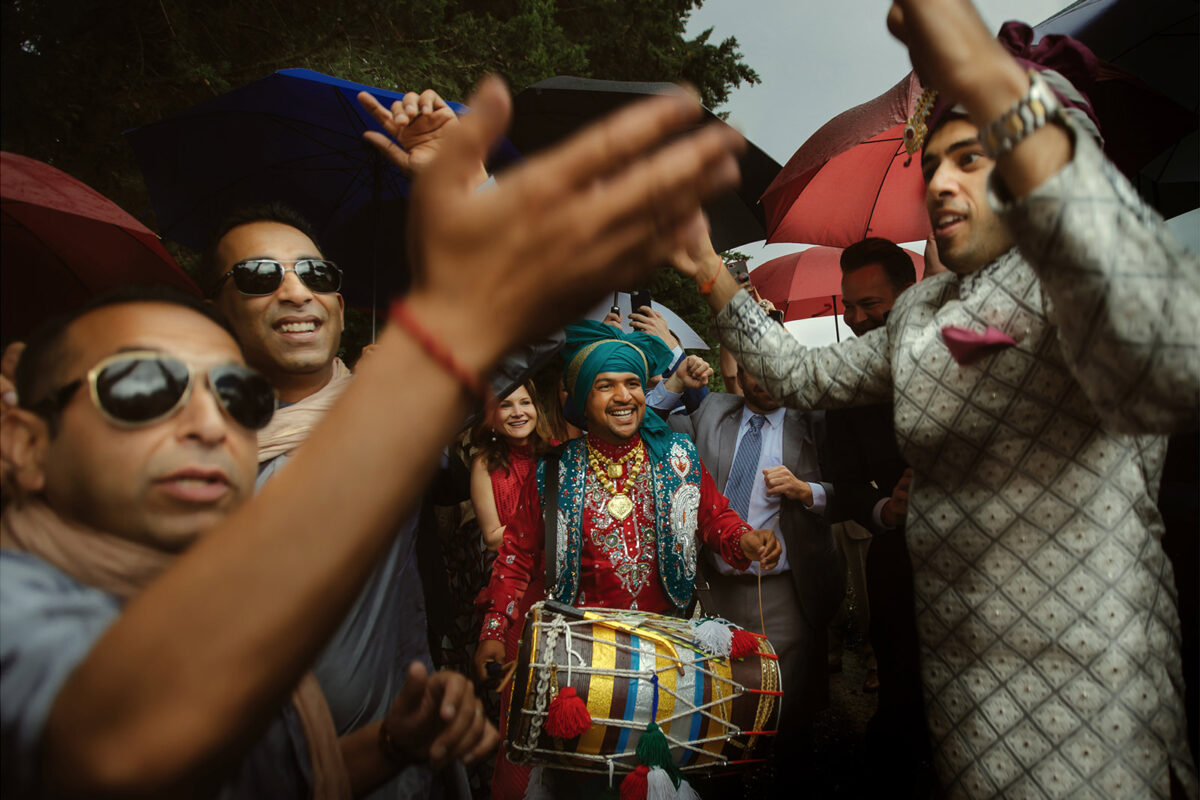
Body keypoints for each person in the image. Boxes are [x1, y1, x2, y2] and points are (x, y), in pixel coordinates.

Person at [0, 74, 748, 797]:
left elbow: (532, 325)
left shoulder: (388, 413)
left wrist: (468, 192)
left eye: (317, 273)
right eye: (260, 275)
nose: (296, 290)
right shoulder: (113, 518)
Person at [671, 4, 1200, 796]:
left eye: (976, 157)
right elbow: (801, 378)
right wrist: (710, 271)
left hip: (1093, 695)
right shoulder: (926, 310)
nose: (943, 181)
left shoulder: (1078, 280)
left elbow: (1168, 352)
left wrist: (1004, 90)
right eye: (937, 163)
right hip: (964, 694)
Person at [474, 320, 780, 799]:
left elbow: (715, 518)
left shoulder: (678, 455)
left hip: (668, 660)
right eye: (606, 385)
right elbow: (516, 557)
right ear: (580, 399)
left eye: (633, 383)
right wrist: (495, 631)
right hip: (582, 665)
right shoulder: (553, 472)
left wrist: (744, 540)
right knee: (584, 785)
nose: (624, 396)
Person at [653, 352, 845, 790]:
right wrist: (677, 382)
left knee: (788, 711)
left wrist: (805, 490)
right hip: (714, 591)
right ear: (737, 370)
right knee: (719, 710)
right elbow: (650, 425)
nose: (767, 378)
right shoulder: (712, 412)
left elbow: (851, 491)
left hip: (784, 592)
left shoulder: (815, 422)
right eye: (756, 367)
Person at [828, 237, 934, 796]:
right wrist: (882, 509)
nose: (860, 318)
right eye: (852, 306)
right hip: (898, 561)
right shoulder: (847, 387)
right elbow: (839, 482)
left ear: (910, 294)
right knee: (903, 702)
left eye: (872, 304)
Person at [470, 381, 556, 551]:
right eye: (505, 406)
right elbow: (493, 539)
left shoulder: (557, 453)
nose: (518, 413)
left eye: (525, 402)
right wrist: (546, 521)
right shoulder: (484, 463)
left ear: (536, 408)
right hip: (512, 568)